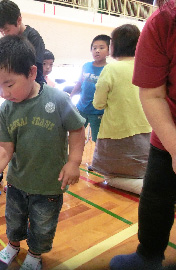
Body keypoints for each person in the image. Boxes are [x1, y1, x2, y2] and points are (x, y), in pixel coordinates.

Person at [0, 35, 85, 270]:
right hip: (18, 183)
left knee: (43, 225)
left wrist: (74, 162)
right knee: (14, 219)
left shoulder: (57, 100)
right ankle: (13, 245)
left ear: (32, 72)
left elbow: (77, 130)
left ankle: (35, 254)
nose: (4, 93)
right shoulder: (7, 109)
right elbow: (6, 146)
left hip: (49, 185)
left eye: (9, 84)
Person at [109, 1, 176, 269]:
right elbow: (152, 94)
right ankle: (148, 255)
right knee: (156, 197)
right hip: (165, 131)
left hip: (137, 130)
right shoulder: (161, 22)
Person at [91, 24, 151, 195]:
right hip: (147, 136)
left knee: (110, 177)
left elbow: (98, 103)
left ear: (115, 46)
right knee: (142, 171)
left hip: (117, 135)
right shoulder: (145, 66)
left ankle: (154, 190)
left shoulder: (111, 68)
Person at [0, 0, 46, 85]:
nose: (4, 34)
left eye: (7, 30)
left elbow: (36, 71)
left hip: (35, 86)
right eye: (1, 31)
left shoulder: (33, 38)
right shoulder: (9, 40)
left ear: (19, 20)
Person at [70, 34, 110, 145]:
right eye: (94, 48)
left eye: (101, 48)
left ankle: (97, 161)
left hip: (98, 112)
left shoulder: (109, 69)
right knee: (76, 135)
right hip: (81, 109)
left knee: (98, 140)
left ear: (108, 51)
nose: (97, 51)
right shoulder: (86, 66)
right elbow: (79, 83)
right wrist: (71, 96)